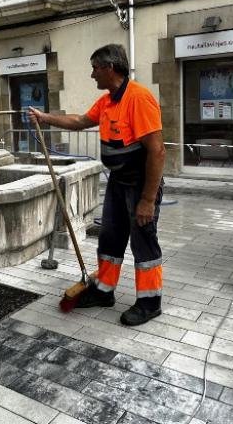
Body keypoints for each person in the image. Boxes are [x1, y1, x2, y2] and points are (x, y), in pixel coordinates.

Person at [28, 44, 166, 326]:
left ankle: (150, 303)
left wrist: (148, 200)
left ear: (110, 68)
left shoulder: (138, 98)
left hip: (140, 185)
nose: (92, 75)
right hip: (118, 182)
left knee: (143, 242)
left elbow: (157, 151)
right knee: (110, 239)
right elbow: (80, 121)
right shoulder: (108, 101)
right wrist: (45, 118)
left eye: (95, 68)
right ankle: (104, 291)